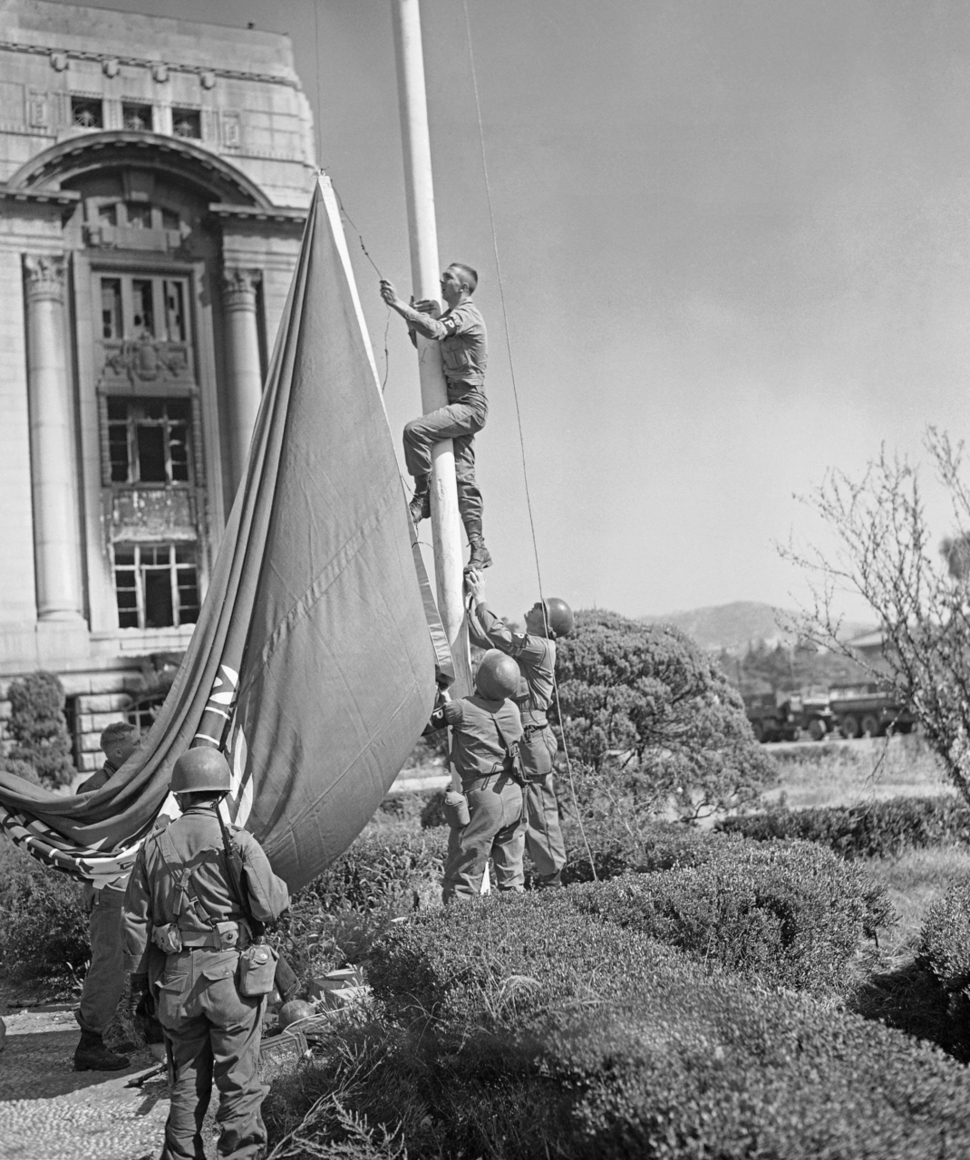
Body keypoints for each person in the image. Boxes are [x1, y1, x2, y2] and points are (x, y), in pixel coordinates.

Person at [123, 747, 290, 1160]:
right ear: (222, 792)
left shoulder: (154, 846)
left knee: (185, 1080)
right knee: (239, 1079)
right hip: (231, 978)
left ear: (179, 796)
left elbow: (133, 922)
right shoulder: (238, 841)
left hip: (176, 981)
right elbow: (270, 906)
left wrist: (140, 982)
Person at [465, 570, 575, 888]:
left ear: (548, 624)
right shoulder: (534, 647)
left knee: (540, 811)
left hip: (531, 737)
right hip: (518, 736)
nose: (532, 607)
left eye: (539, 606)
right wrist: (471, 604)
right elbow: (483, 637)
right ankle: (519, 883)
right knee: (511, 810)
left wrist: (482, 597)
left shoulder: (541, 647)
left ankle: (553, 882)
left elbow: (499, 636)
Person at [379, 263, 492, 572]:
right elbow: (427, 345)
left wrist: (398, 305)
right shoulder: (451, 318)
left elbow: (436, 331)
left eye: (448, 279)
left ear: (463, 288)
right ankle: (480, 547)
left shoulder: (467, 315)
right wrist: (416, 319)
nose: (441, 281)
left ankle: (423, 495)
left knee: (414, 431)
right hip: (455, 406)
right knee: (463, 478)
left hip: (469, 405)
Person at [73, 720, 141, 1071]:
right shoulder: (95, 789)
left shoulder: (136, 783)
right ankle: (90, 1044)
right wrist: (90, 886)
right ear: (116, 752)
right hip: (109, 892)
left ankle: (148, 1025)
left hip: (135, 889)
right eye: (136, 743)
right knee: (109, 966)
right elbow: (79, 847)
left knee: (147, 954)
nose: (143, 747)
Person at [432, 649, 526, 901]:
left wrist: (437, 694)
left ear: (482, 678)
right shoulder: (512, 710)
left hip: (484, 799)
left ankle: (456, 933)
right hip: (513, 795)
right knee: (513, 881)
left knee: (462, 880)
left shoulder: (461, 709)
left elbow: (428, 724)